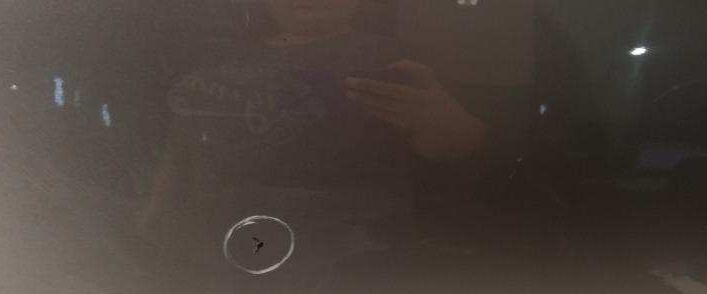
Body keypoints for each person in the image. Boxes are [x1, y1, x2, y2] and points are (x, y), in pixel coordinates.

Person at [134, 0, 488, 277]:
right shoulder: (220, 56)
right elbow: (183, 139)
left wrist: (452, 124)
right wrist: (158, 204)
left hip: (351, 255)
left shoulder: (394, 60)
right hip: (216, 245)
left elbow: (448, 147)